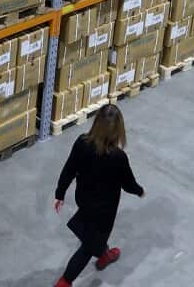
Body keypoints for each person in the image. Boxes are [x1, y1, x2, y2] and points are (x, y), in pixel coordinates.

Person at [52, 103, 144, 287]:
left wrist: (60, 194)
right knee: (87, 247)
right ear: (118, 130)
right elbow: (128, 184)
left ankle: (103, 255)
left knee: (93, 235)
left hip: (84, 200)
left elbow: (68, 170)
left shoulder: (82, 143)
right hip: (104, 212)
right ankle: (65, 282)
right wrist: (139, 190)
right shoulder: (118, 158)